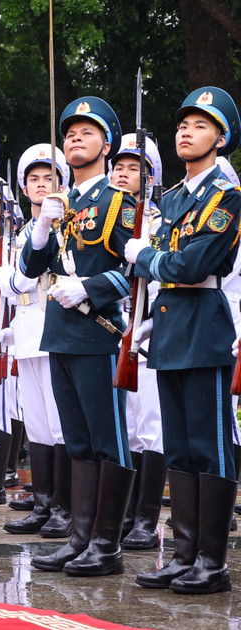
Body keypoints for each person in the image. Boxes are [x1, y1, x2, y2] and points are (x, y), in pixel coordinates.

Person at [129, 87, 241, 594]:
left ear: (221, 139)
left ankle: (212, 563)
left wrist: (145, 258)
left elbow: (194, 264)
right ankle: (183, 553)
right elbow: (172, 264)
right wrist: (150, 314)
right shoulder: (173, 198)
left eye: (199, 125)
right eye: (182, 124)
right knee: (178, 448)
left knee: (209, 448)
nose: (186, 132)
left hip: (206, 326)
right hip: (172, 327)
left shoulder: (228, 198)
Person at [21, 96, 137, 577]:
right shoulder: (61, 205)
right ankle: (80, 537)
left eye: (86, 132)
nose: (74, 138)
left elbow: (134, 273)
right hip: (61, 335)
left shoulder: (119, 202)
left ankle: (106, 546)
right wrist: (43, 228)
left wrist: (86, 287)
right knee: (77, 442)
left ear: (106, 144)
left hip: (98, 333)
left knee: (108, 441)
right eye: (70, 132)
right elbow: (29, 270)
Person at [0, 144, 71, 538]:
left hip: (54, 327)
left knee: (60, 424)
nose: (42, 187)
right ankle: (42, 503)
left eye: (50, 180)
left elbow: (19, 280)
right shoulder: (23, 231)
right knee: (37, 424)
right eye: (34, 180)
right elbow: (15, 285)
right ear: (24, 189)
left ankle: (64, 508)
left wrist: (9, 283)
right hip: (26, 329)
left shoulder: (67, 224)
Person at [109, 133, 167, 550]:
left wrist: (144, 324)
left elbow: (165, 277)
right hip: (110, 333)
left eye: (134, 168)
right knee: (125, 430)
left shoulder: (160, 222)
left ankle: (146, 518)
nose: (123, 174)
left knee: (151, 427)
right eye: (119, 166)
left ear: (150, 179)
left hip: (146, 335)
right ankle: (125, 514)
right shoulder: (102, 217)